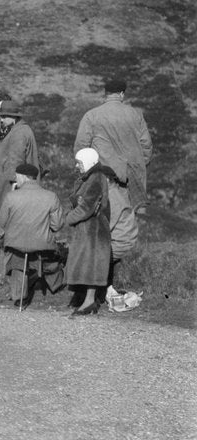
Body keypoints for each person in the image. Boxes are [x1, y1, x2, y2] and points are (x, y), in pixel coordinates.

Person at [73, 78, 153, 288]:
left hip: (103, 180)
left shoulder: (92, 115)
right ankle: (115, 276)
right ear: (122, 94)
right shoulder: (135, 114)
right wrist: (137, 167)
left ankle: (97, 276)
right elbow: (146, 148)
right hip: (130, 180)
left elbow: (81, 148)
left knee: (103, 226)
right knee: (126, 227)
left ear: (105, 94)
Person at [0, 163, 65, 306]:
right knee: (51, 259)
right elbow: (57, 225)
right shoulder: (51, 196)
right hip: (42, 244)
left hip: (16, 245)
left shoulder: (11, 197)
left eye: (16, 176)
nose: (15, 179)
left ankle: (19, 297)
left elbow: (2, 222)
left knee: (17, 263)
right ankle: (57, 287)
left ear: (22, 177)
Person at [65, 148, 115, 315]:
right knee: (86, 263)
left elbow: (86, 207)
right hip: (89, 229)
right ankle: (86, 300)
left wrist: (68, 218)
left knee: (91, 264)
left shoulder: (95, 178)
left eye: (79, 163)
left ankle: (89, 302)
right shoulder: (90, 178)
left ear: (87, 162)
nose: (77, 166)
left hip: (93, 231)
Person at [0, 100, 39, 217]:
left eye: (4, 116)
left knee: (12, 216)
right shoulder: (18, 128)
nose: (1, 120)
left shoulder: (18, 133)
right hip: (16, 180)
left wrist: (14, 184)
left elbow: (16, 161)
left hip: (14, 182)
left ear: (13, 117)